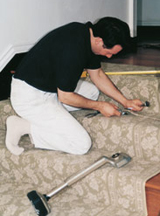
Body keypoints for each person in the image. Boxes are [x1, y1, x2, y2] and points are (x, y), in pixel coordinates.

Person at [5, 17, 143, 156]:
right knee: (81, 144)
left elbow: (98, 75)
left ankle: (52, 114)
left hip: (49, 88)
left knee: (91, 92)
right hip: (31, 98)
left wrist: (125, 101)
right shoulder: (72, 50)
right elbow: (65, 96)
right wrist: (99, 106)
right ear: (99, 41)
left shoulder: (86, 34)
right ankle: (25, 127)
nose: (108, 57)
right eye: (108, 52)